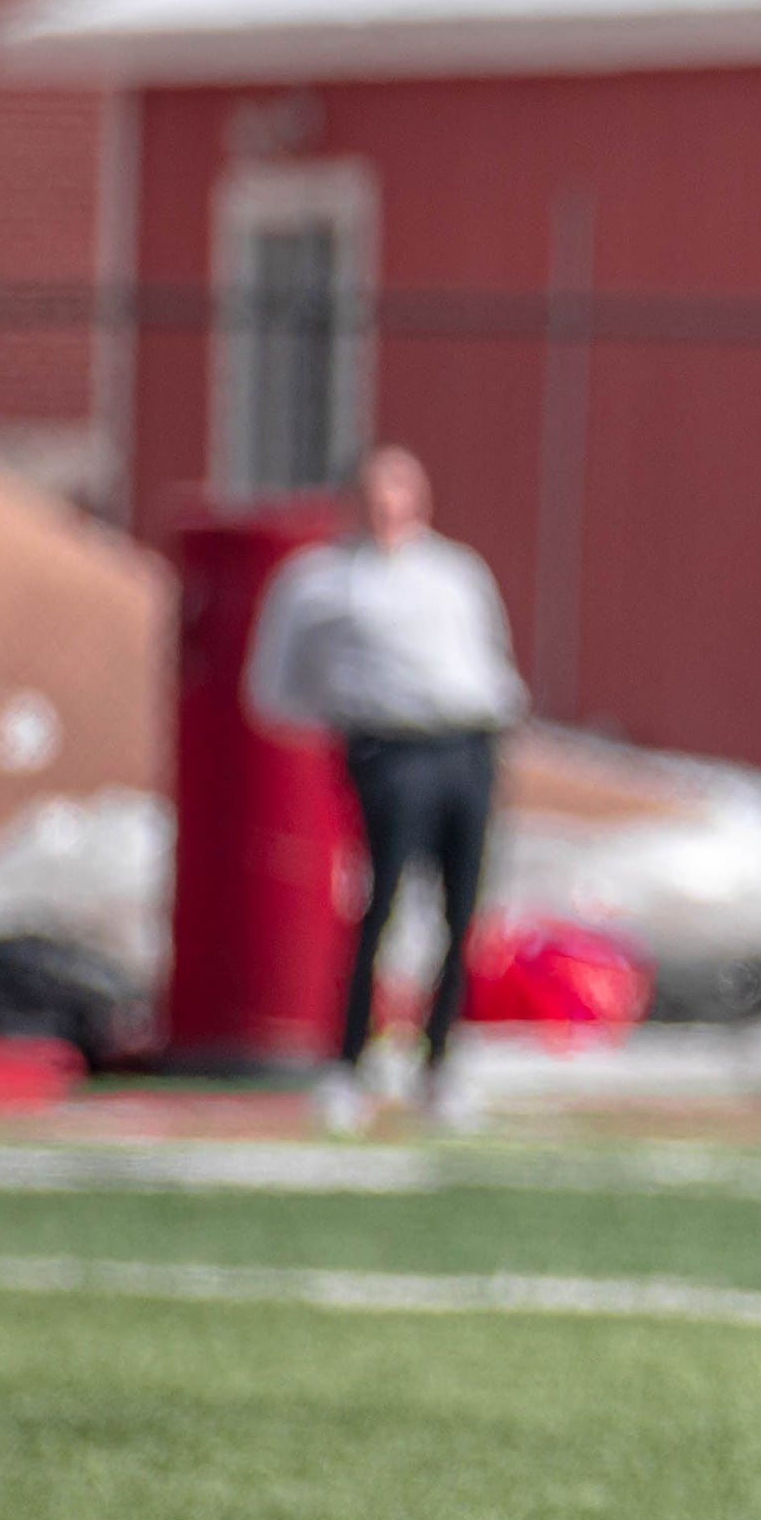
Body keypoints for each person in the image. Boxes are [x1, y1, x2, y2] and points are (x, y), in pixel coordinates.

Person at [244, 444, 525, 1134]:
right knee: (382, 909)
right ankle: (348, 1067)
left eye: (404, 491)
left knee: (464, 916)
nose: (392, 506)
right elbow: (273, 689)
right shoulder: (318, 581)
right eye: (378, 491)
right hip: (389, 752)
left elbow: (489, 661)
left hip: (467, 744)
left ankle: (440, 1069)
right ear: (354, 500)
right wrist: (354, 727)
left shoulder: (457, 571)